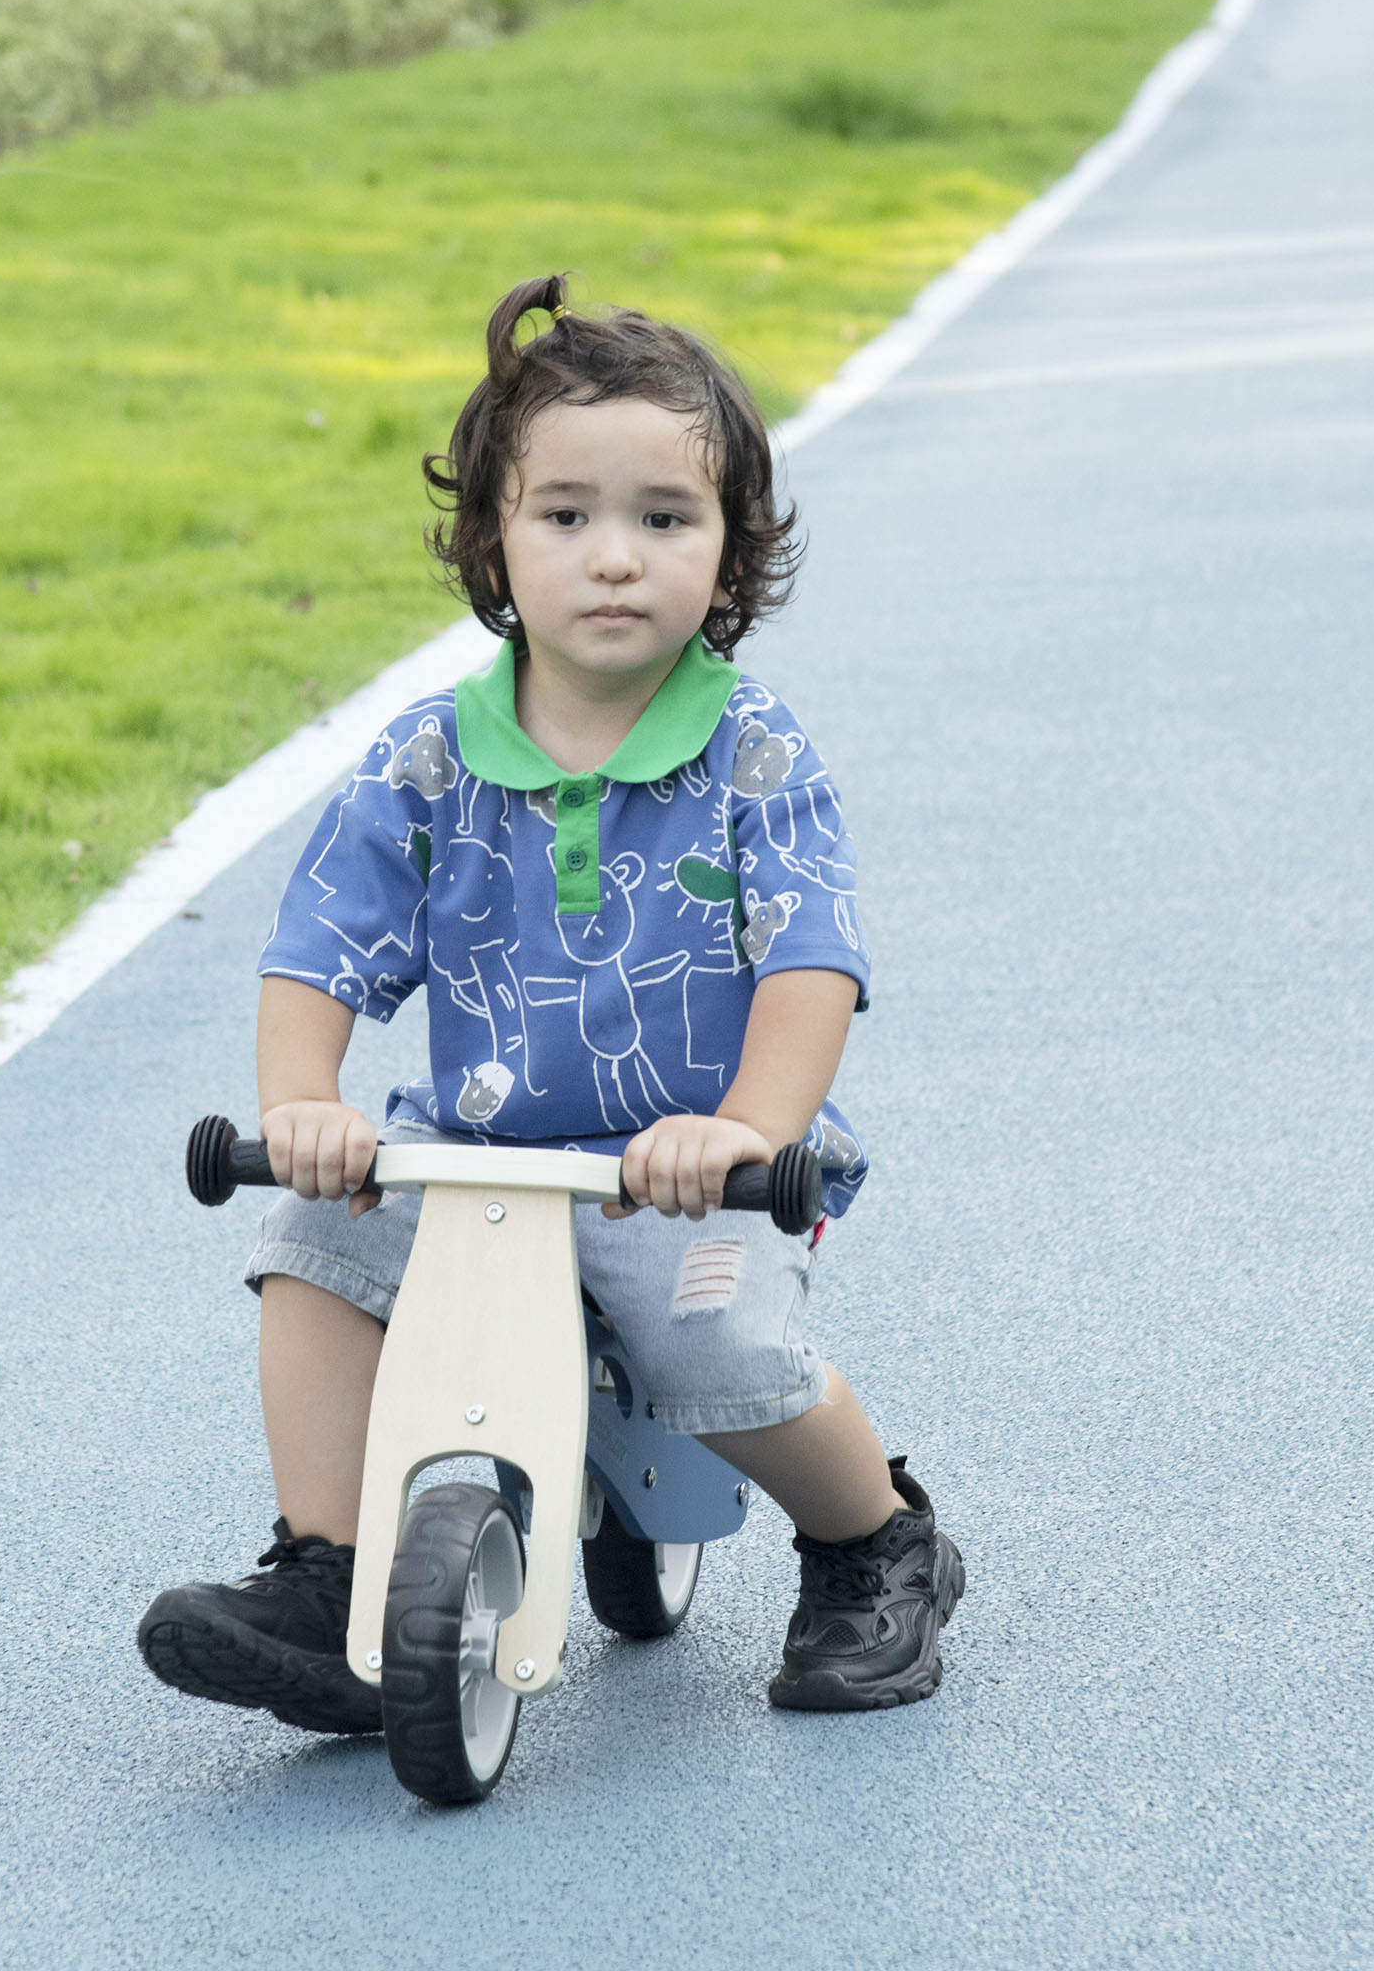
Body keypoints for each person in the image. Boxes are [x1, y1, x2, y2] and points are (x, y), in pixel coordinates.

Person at [138, 273, 963, 1733]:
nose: (614, 559)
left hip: (688, 1169)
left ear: (731, 552)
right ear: (495, 542)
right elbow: (317, 947)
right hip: (483, 1153)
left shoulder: (754, 755)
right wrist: (304, 1105)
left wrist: (744, 1130)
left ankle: (872, 1541)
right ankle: (328, 1574)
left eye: (665, 519)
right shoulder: (431, 757)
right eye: (565, 515)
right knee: (313, 1236)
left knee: (723, 1346)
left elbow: (810, 964)